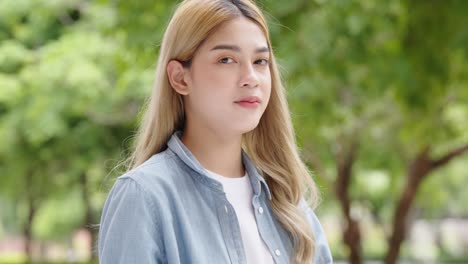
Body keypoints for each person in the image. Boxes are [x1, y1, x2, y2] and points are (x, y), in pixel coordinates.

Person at [98, 0, 333, 263]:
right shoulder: (144, 197)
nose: (251, 77)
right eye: (226, 59)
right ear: (180, 78)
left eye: (260, 61)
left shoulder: (288, 203)